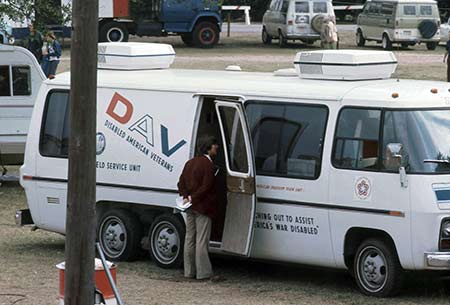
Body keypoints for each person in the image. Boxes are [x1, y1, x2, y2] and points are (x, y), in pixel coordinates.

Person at [177, 136, 222, 281]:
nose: (217, 147)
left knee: (189, 238)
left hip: (189, 206)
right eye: (214, 145)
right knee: (202, 240)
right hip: (203, 207)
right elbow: (206, 186)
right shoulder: (208, 165)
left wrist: (186, 196)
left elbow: (181, 182)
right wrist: (194, 197)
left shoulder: (189, 163)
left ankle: (189, 271)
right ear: (209, 147)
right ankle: (203, 272)